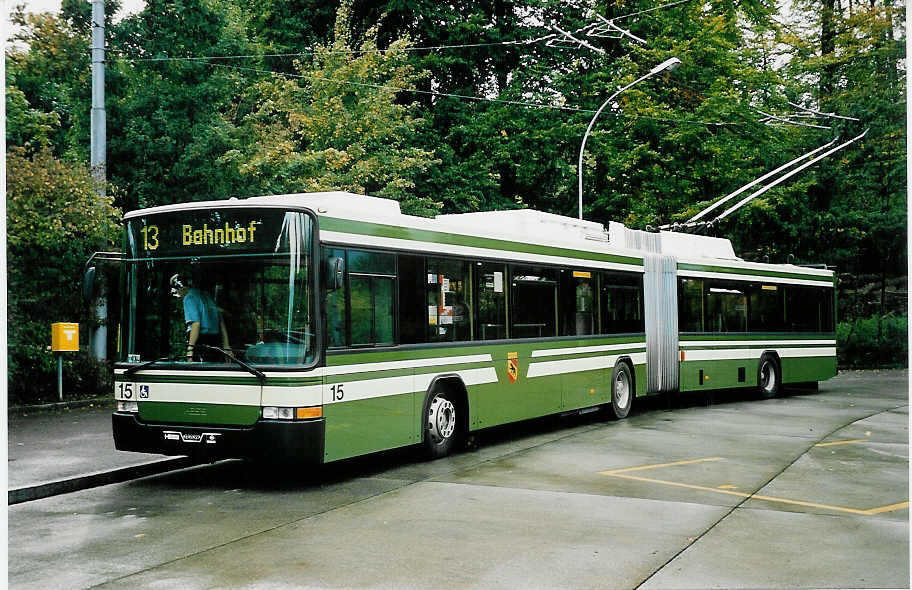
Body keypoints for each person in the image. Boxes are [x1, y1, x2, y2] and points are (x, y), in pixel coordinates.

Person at [170, 274, 230, 361]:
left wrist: (190, 350)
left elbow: (196, 324)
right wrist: (226, 346)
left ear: (181, 288)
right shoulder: (206, 296)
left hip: (201, 343)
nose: (178, 296)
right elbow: (221, 322)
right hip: (215, 342)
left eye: (176, 292)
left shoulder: (189, 298)